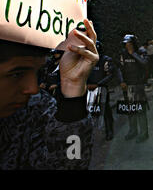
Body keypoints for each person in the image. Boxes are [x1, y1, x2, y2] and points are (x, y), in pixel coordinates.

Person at [0, 19, 99, 169]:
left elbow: (72, 162)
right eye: (16, 74)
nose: (32, 88)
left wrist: (73, 89)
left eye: (37, 72)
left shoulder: (37, 109)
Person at [118, 34, 149, 143]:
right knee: (130, 110)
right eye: (126, 44)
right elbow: (120, 68)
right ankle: (133, 130)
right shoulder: (123, 54)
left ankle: (144, 133)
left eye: (130, 44)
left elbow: (145, 64)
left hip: (138, 85)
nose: (128, 46)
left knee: (140, 110)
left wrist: (133, 54)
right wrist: (121, 81)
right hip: (127, 85)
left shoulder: (141, 52)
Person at [86, 40, 117, 141]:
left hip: (101, 88)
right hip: (89, 88)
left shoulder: (106, 60)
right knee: (89, 110)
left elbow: (110, 74)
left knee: (105, 111)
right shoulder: (87, 60)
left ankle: (109, 131)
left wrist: (98, 84)